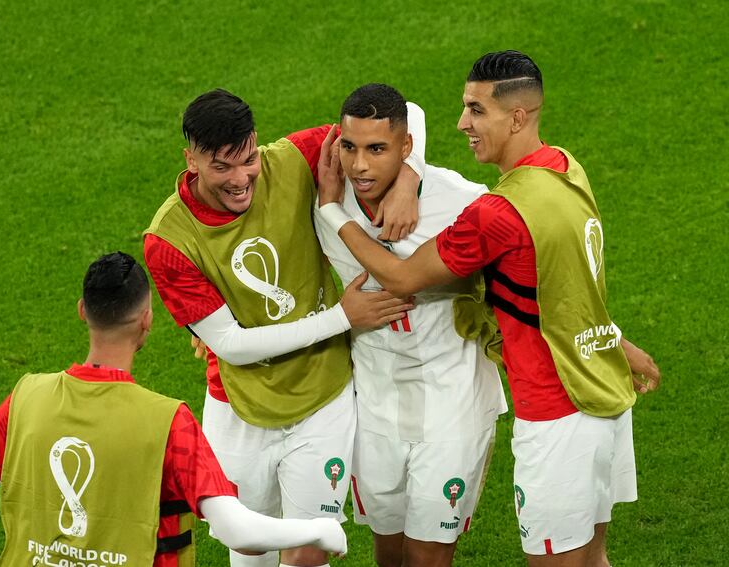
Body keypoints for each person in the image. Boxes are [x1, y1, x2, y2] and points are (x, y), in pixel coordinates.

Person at [316, 51, 661, 567]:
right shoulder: (565, 170)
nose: (463, 124)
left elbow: (405, 277)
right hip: (600, 396)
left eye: (476, 111)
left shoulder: (494, 212)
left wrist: (330, 209)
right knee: (594, 560)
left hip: (555, 412)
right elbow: (566, 286)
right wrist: (618, 342)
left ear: (516, 117)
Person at [144, 89, 425, 567]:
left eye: (247, 159)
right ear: (189, 159)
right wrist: (341, 318)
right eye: (222, 167)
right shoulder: (169, 240)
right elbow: (231, 345)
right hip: (240, 412)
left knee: (309, 552)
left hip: (323, 399)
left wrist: (408, 179)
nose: (241, 180)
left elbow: (406, 115)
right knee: (250, 549)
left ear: (257, 143)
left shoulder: (292, 160)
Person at [0, 252, 347, 567]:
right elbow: (234, 529)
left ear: (81, 312)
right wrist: (315, 531)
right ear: (146, 322)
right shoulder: (167, 422)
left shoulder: (26, 396)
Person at [313, 83, 508, 567]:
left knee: (427, 559)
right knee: (389, 553)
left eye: (377, 150)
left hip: (452, 403)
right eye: (351, 147)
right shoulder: (324, 195)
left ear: (407, 147)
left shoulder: (464, 201)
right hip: (375, 405)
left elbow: (536, 280)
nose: (360, 165)